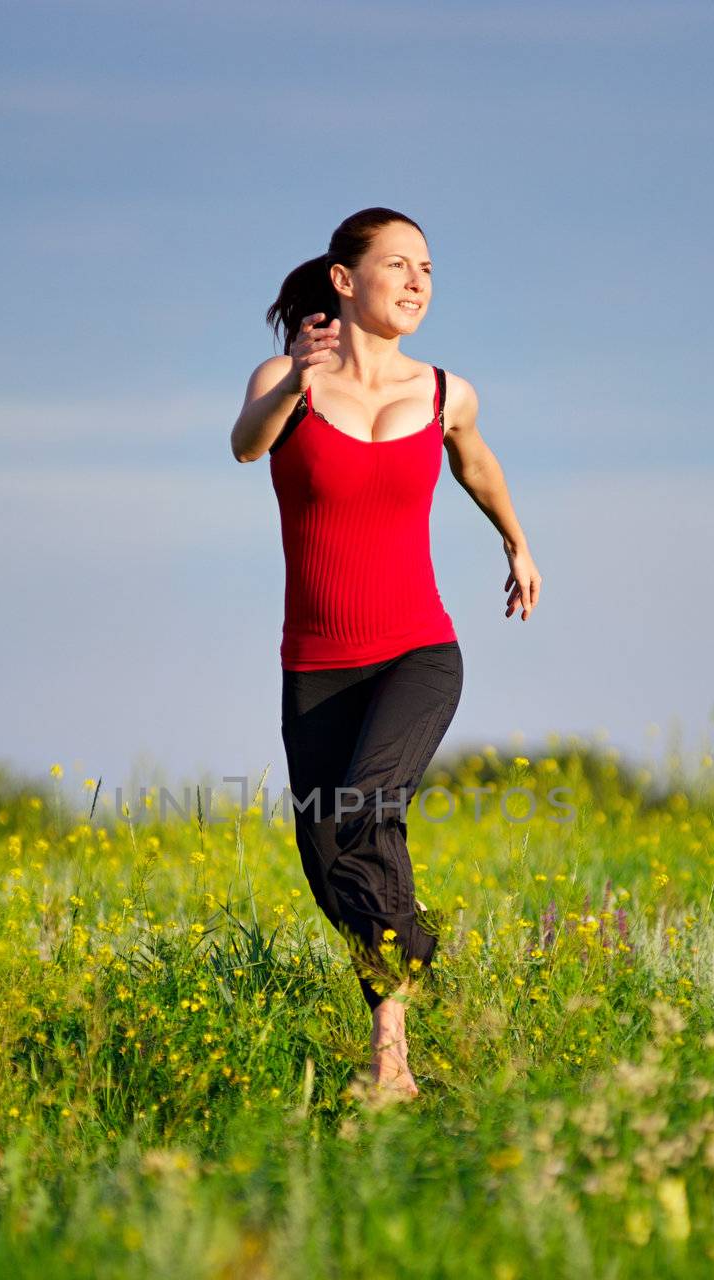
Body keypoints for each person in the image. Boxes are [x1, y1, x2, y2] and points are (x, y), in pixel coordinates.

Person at [230, 207, 541, 1104]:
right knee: (329, 851)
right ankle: (406, 974)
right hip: (316, 665)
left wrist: (517, 543)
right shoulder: (285, 379)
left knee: (368, 813)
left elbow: (476, 464)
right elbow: (246, 445)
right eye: (397, 264)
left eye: (428, 270)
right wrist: (296, 380)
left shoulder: (444, 393)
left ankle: (391, 1056)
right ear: (343, 276)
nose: (416, 282)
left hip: (418, 650)